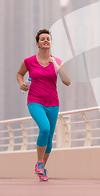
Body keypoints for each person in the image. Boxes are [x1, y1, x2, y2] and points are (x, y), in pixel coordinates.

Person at [16, 29, 71, 181]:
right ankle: (39, 163)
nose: (45, 40)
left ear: (51, 43)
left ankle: (42, 169)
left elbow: (67, 81)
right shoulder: (29, 61)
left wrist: (56, 66)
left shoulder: (57, 61)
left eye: (48, 39)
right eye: (42, 39)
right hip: (35, 101)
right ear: (37, 44)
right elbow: (20, 73)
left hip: (53, 103)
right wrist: (21, 83)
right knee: (45, 128)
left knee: (48, 139)